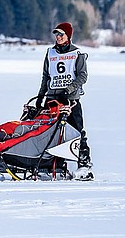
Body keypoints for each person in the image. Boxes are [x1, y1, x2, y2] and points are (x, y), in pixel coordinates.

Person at [36, 21, 92, 180]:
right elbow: (46, 77)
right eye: (56, 34)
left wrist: (68, 91)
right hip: (52, 100)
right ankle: (54, 164)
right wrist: (41, 96)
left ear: (68, 36)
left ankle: (84, 165)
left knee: (77, 132)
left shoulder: (77, 54)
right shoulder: (50, 53)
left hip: (70, 101)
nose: (58, 37)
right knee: (51, 133)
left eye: (61, 34)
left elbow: (83, 76)